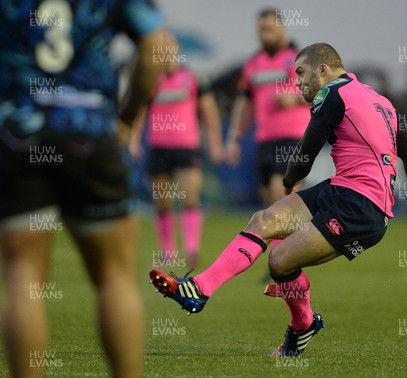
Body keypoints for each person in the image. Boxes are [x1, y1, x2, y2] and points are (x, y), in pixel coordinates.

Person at [150, 43, 407, 357]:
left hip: (360, 207)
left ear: (324, 70)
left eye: (301, 73)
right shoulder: (379, 100)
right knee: (263, 220)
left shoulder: (332, 93)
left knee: (280, 261)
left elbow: (307, 148)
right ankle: (199, 289)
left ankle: (303, 323)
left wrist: (289, 181)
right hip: (342, 190)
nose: (297, 82)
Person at [0, 1, 165, 377]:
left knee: (23, 277)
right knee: (115, 276)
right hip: (88, 130)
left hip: (18, 132)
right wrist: (126, 116)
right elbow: (157, 46)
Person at [129, 33, 223, 268]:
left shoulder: (192, 78)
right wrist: (133, 140)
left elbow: (209, 112)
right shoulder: (151, 80)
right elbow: (139, 112)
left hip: (186, 147)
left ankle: (191, 250)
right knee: (162, 202)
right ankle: (168, 251)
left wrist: (214, 142)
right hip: (158, 147)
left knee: (190, 197)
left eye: (169, 47)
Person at [225, 7, 309, 214]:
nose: (265, 34)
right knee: (268, 200)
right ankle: (291, 241)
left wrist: (295, 98)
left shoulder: (300, 58)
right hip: (264, 138)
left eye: (270, 29)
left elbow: (321, 92)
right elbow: (244, 104)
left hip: (294, 136)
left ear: (282, 27)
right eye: (262, 29)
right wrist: (235, 137)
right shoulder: (254, 64)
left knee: (280, 190)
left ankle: (285, 245)